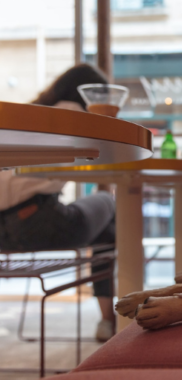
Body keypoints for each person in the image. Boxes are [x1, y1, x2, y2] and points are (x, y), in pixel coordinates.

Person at [0, 63, 116, 341]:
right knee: (108, 203)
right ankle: (108, 320)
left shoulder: (25, 116)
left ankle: (107, 319)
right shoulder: (74, 115)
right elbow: (106, 156)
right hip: (39, 223)